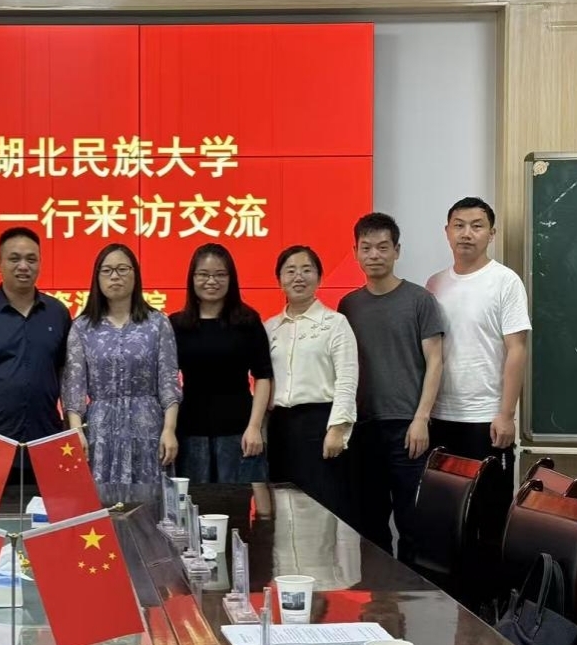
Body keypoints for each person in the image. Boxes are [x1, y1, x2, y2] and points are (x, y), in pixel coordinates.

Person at [338, 212, 443, 564]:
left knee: (412, 523)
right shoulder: (348, 305)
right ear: (355, 252)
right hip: (363, 428)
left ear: (397, 251)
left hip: (407, 427)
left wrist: (421, 419)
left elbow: (435, 362)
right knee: (369, 524)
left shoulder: (419, 300)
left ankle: (412, 594)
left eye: (383, 247)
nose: (374, 255)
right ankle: (379, 592)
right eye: (366, 247)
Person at [427, 196, 529, 497]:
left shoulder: (505, 281)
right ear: (447, 232)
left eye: (476, 226)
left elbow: (517, 349)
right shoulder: (434, 285)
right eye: (459, 226)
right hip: (440, 417)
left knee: (488, 511)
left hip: (487, 419)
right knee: (444, 511)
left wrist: (506, 415)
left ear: (491, 234)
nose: (466, 234)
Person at [0, 227, 72, 484]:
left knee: (46, 508)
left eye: (31, 259)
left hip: (46, 437)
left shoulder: (58, 313)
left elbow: (65, 373)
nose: (23, 266)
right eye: (14, 258)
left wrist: (70, 426)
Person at [61, 243, 180, 485]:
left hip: (148, 428)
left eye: (122, 269)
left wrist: (169, 429)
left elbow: (169, 382)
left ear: (135, 275)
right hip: (100, 431)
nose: (115, 276)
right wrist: (76, 431)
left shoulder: (157, 323)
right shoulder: (82, 327)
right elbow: (74, 386)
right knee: (101, 501)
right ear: (97, 278)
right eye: (107, 270)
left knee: (149, 501)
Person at [265, 245, 358, 521]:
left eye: (307, 270)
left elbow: (347, 379)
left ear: (319, 277)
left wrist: (338, 429)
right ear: (279, 279)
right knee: (282, 507)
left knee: (320, 507)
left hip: (319, 425)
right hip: (280, 427)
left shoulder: (335, 323)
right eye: (290, 271)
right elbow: (263, 382)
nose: (299, 277)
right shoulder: (270, 327)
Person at [169, 243, 273, 484]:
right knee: (194, 502)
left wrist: (255, 426)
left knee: (237, 503)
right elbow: (166, 381)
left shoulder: (247, 321)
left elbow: (263, 376)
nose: (211, 281)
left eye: (220, 274)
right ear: (192, 278)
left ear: (231, 279)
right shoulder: (177, 324)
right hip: (190, 431)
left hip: (239, 430)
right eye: (203, 274)